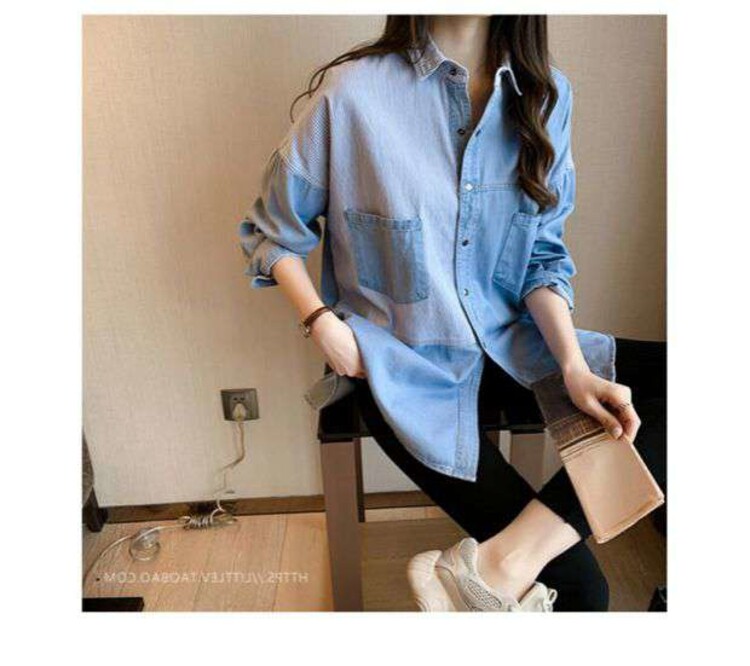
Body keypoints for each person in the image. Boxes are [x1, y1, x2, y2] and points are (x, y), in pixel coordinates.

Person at [238, 15, 666, 612]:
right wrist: (321, 323)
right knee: (582, 590)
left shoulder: (546, 96)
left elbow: (542, 257)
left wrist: (573, 367)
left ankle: (495, 566)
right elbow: (272, 233)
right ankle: (502, 568)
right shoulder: (353, 94)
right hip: (404, 376)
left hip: (513, 348)